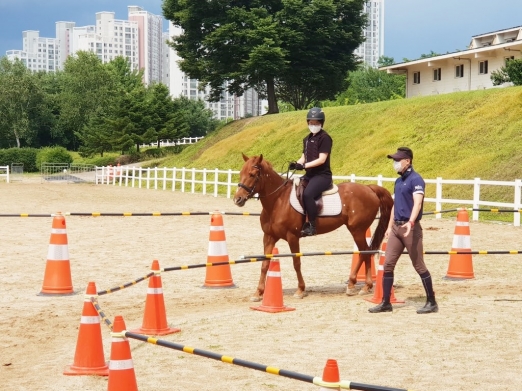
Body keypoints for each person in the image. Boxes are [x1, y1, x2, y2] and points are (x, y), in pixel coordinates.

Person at [368, 146, 438, 314]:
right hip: (397, 228)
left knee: (419, 265)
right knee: (388, 264)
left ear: (408, 161)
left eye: (398, 160)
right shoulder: (398, 181)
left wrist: (411, 222)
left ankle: (432, 302)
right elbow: (395, 205)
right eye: (394, 160)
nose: (395, 163)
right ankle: (386, 302)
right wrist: (389, 225)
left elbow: (418, 203)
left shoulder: (416, 180)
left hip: (410, 229)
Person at [289, 107, 333, 237]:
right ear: (308, 123)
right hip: (310, 175)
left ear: (321, 123)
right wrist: (297, 163)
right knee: (293, 188)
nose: (314, 125)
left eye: (316, 123)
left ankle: (312, 225)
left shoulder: (325, 138)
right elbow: (304, 156)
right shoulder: (306, 139)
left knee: (308, 194)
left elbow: (321, 159)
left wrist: (304, 165)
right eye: (311, 123)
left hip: (322, 176)